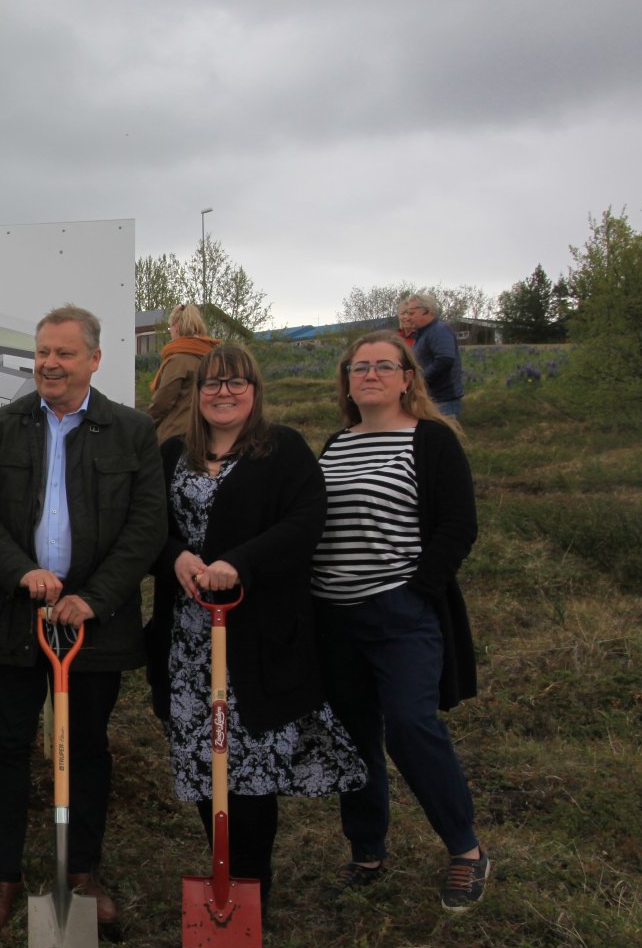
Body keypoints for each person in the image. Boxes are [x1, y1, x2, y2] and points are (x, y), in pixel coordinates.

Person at [0, 304, 166, 934]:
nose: (49, 363)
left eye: (64, 353)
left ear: (94, 360)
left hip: (93, 619)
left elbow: (146, 525)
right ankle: (3, 876)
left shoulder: (131, 431)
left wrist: (93, 597)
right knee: (6, 746)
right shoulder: (1, 426)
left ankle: (83, 873)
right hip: (13, 614)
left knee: (89, 747)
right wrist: (22, 572)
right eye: (43, 352)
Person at [145, 345, 365, 903]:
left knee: (249, 767)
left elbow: (305, 521)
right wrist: (176, 557)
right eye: (212, 384)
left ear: (255, 391)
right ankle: (223, 873)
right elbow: (147, 526)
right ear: (196, 395)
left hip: (256, 638)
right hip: (187, 640)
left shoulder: (283, 449)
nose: (224, 393)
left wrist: (239, 563)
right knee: (202, 759)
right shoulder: (172, 454)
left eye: (236, 383)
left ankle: (251, 884)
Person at [312, 332, 489, 909]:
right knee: (352, 736)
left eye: (383, 366)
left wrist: (416, 594)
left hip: (398, 613)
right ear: (346, 381)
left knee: (412, 726)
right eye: (358, 367)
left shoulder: (430, 440)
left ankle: (466, 851)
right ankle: (367, 852)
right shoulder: (336, 445)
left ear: (407, 378)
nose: (369, 375)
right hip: (333, 618)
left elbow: (458, 526)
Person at [146, 303, 221, 442]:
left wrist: (143, 423)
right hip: (206, 433)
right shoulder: (211, 357)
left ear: (176, 327)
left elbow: (163, 402)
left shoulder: (179, 360)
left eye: (170, 327)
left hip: (175, 435)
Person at [398, 292, 465, 419]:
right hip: (431, 399)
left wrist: (419, 379)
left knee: (443, 437)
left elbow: (445, 359)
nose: (408, 317)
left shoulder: (439, 330)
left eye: (412, 313)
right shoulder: (422, 334)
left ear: (426, 311)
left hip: (444, 400)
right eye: (407, 313)